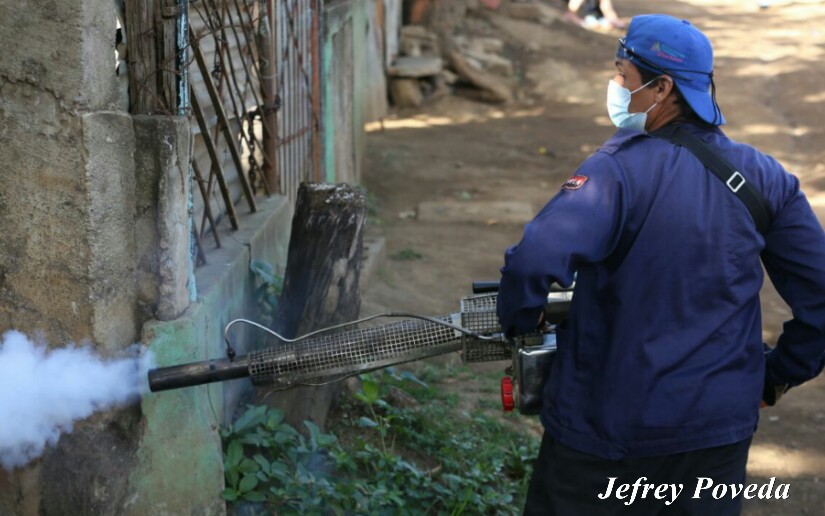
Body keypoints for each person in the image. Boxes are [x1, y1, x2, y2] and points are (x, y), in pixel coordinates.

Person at [497, 13, 825, 515]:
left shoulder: (615, 171)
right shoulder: (767, 179)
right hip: (715, 440)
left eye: (623, 77)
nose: (615, 87)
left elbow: (533, 261)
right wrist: (774, 375)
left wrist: (522, 321)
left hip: (605, 436)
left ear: (662, 88)